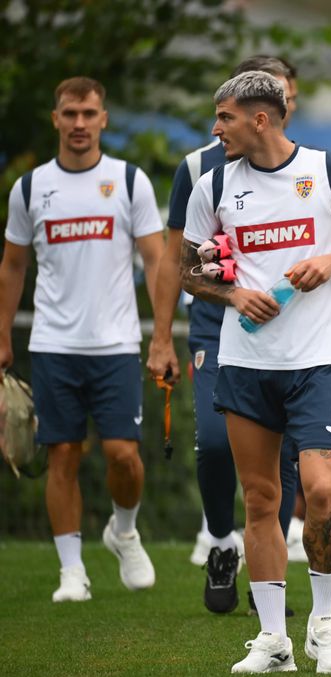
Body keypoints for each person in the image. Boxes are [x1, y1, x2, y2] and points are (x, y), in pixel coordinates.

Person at [181, 71, 331, 674]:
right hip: (245, 362)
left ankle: (325, 624)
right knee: (262, 499)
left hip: (318, 362)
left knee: (321, 491)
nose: (216, 129)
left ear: (260, 119)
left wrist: (329, 261)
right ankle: (273, 640)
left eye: (225, 118)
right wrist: (233, 297)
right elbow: (188, 272)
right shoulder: (214, 183)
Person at [147, 56, 306, 616]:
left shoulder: (308, 169)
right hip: (217, 328)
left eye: (285, 93)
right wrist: (162, 337)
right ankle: (220, 542)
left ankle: (271, 578)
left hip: (289, 333)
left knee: (282, 458)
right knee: (215, 443)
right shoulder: (197, 169)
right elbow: (176, 259)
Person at [0, 76, 163, 603]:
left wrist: (162, 336)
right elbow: (12, 266)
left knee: (123, 455)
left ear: (103, 119)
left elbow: (158, 259)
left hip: (117, 343)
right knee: (62, 454)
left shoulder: (129, 181)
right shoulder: (29, 188)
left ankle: (123, 531)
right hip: (52, 344)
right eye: (70, 114)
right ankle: (71, 572)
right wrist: (3, 334)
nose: (79, 124)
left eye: (89, 114)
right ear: (55, 118)